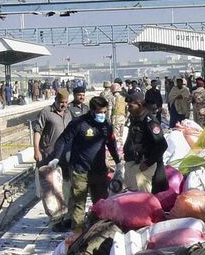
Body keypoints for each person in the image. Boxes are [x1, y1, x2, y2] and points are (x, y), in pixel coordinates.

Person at [54, 96, 121, 232]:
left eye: (104, 112)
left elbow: (111, 144)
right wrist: (56, 158)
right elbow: (62, 140)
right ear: (91, 111)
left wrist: (118, 162)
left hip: (99, 171)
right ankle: (77, 234)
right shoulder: (78, 123)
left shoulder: (106, 125)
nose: (102, 115)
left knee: (101, 204)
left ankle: (97, 232)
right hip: (80, 171)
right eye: (99, 112)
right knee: (79, 205)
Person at [122, 97, 167, 192]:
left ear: (139, 105)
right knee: (131, 195)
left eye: (131, 106)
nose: (128, 108)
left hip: (143, 165)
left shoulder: (150, 121)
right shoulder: (134, 118)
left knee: (142, 198)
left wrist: (148, 162)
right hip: (132, 162)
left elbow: (162, 145)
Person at [34, 90, 71, 170]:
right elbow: (37, 131)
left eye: (66, 102)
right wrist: (36, 151)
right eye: (61, 102)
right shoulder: (46, 112)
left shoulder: (68, 113)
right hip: (48, 154)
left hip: (63, 155)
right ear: (56, 100)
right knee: (46, 180)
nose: (64, 105)